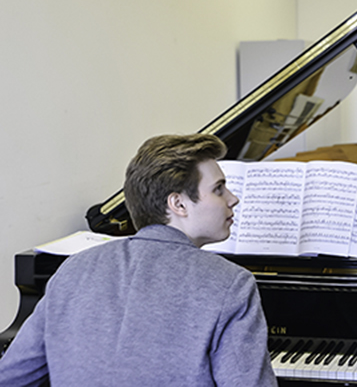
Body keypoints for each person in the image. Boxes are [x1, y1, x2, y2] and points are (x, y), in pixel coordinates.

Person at [0, 134, 278, 387]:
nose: (233, 199)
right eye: (219, 189)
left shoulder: (73, 269)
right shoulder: (231, 283)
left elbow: (10, 378)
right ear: (178, 204)